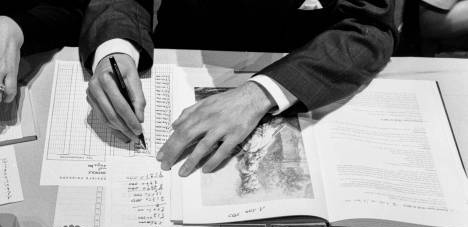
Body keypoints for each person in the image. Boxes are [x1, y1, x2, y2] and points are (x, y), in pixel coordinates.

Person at [80, 0, 397, 176]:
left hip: (302, 66)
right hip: (180, 51)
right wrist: (115, 46)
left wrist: (259, 93)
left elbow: (370, 28)